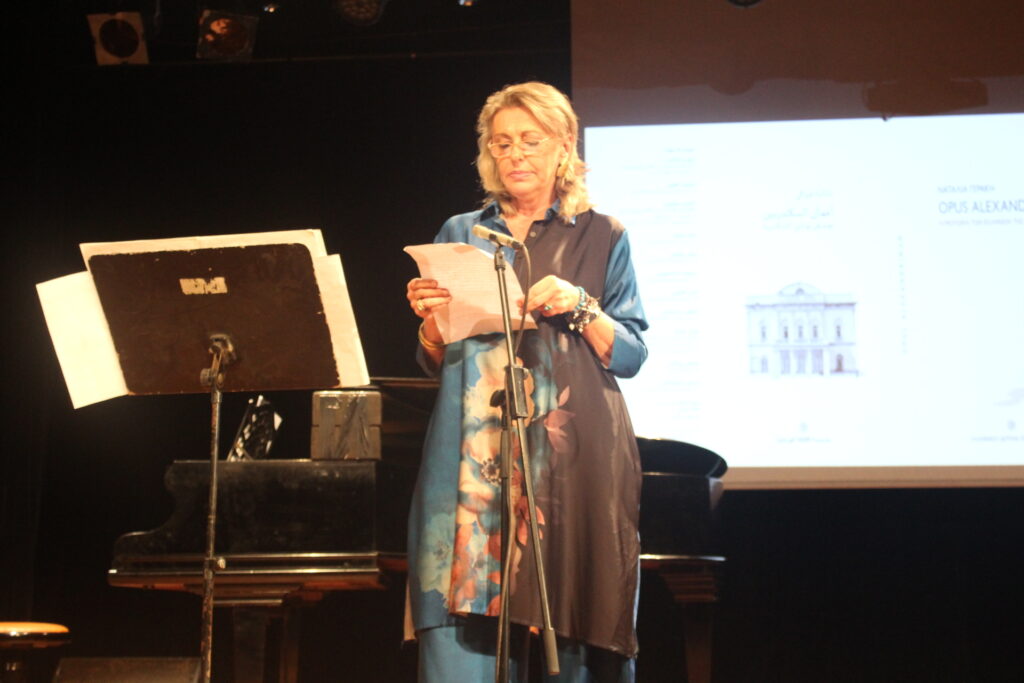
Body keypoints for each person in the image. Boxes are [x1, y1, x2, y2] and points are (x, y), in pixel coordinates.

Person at [405, 82, 649, 682]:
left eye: (530, 141)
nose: (515, 154)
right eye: (502, 143)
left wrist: (582, 306)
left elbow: (631, 354)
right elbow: (433, 357)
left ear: (564, 147)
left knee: (575, 633)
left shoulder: (603, 234)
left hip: (570, 464)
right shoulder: (461, 231)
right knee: (460, 641)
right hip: (470, 461)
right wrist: (431, 325)